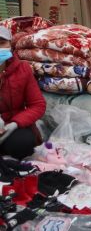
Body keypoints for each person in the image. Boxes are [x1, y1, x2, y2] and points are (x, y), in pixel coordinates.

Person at [0, 27, 45, 159]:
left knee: (22, 144)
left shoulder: (22, 69)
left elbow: (38, 105)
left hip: (13, 123)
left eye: (2, 43)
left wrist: (14, 124)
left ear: (10, 46)